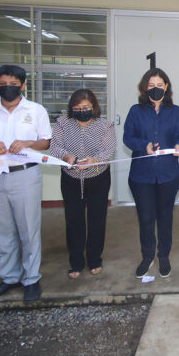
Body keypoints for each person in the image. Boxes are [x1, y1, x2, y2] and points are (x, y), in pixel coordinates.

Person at [0, 65, 51, 303]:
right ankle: (9, 277)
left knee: (28, 228)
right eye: (3, 83)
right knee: (1, 230)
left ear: (23, 85)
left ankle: (31, 279)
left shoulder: (36, 111)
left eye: (14, 83)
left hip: (25, 176)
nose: (8, 87)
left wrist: (28, 143)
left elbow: (46, 141)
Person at [123, 68, 179, 279]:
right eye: (151, 85)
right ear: (144, 88)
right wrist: (144, 145)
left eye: (160, 85)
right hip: (141, 177)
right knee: (146, 218)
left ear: (166, 86)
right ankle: (148, 256)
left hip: (169, 175)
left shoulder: (176, 111)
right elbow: (127, 138)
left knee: (165, 217)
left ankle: (164, 256)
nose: (156, 89)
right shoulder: (135, 111)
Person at [50, 89, 116, 279]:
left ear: (94, 107)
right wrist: (66, 156)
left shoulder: (105, 126)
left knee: (97, 219)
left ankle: (95, 259)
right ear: (71, 109)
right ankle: (76, 262)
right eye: (77, 108)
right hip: (71, 178)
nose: (81, 111)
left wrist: (95, 159)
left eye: (86, 107)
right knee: (73, 220)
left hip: (98, 178)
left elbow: (109, 149)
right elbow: (54, 147)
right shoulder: (63, 123)